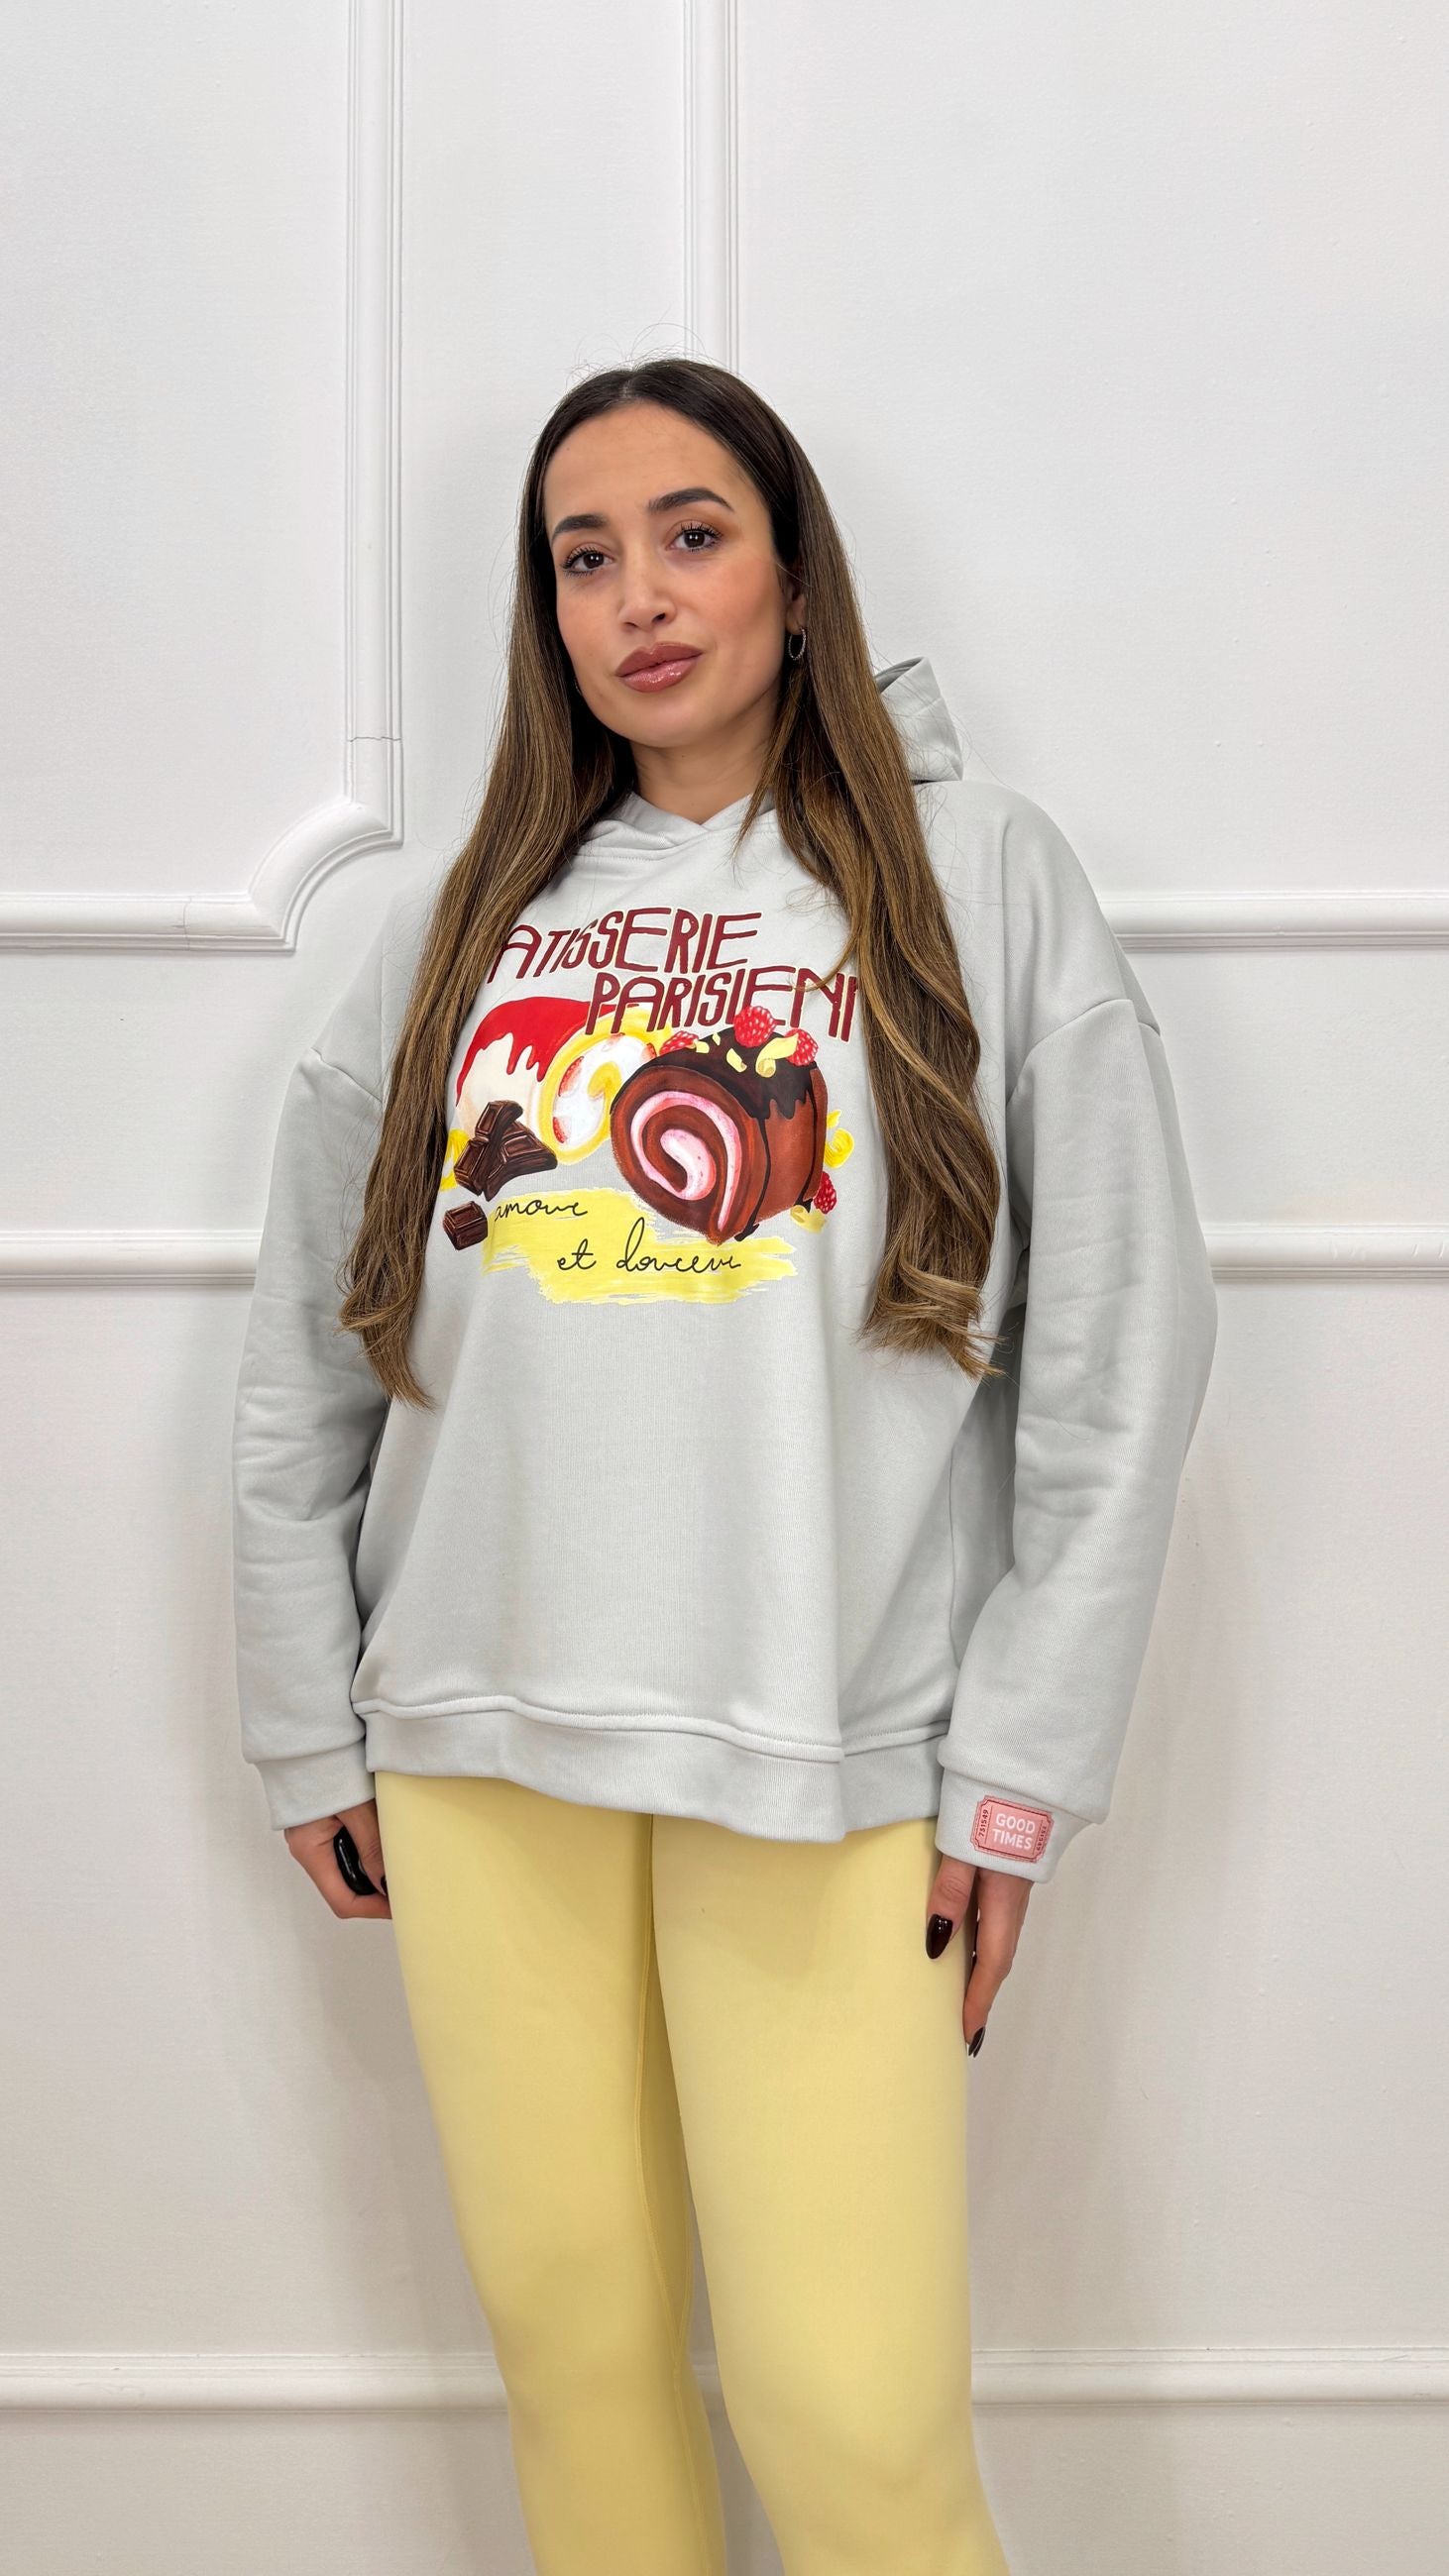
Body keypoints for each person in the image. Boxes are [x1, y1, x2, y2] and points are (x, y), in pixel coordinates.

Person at [230, 357, 1217, 2576]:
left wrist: (1018, 1771)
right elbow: (307, 1343)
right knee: (572, 2366)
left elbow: (1117, 1357)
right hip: (473, 1739)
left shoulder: (978, 874)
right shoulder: (454, 912)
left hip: (826, 1747)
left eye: (690, 535)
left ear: (792, 569)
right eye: (582, 557)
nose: (639, 598)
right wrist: (304, 1711)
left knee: (846, 2416)